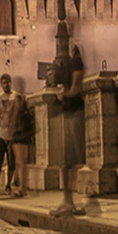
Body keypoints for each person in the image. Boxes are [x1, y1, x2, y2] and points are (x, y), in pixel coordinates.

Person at [48, 50, 87, 219]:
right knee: (69, 161)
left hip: (73, 113)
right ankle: (72, 201)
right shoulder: (71, 64)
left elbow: (77, 86)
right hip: (71, 113)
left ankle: (68, 202)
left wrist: (64, 94)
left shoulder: (76, 62)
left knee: (66, 160)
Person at [7, 78, 35, 199]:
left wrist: (9, 129)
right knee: (21, 161)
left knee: (20, 162)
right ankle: (22, 187)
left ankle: (22, 188)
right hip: (24, 133)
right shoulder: (23, 98)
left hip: (18, 133)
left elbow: (14, 116)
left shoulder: (17, 99)